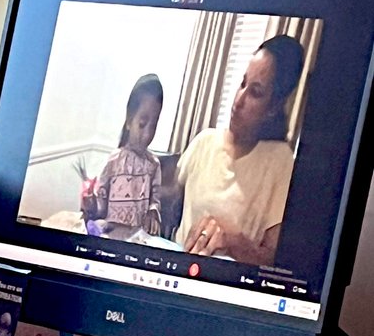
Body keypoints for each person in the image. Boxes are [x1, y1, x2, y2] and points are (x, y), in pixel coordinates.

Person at [175, 34, 304, 263]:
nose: (238, 101)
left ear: (273, 107)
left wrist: (232, 241)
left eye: (255, 92)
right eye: (242, 83)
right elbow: (165, 199)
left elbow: (274, 263)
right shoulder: (204, 141)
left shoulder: (279, 161)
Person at [83, 74, 164, 235]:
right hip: (112, 236)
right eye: (142, 124)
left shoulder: (153, 165)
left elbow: (155, 202)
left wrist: (153, 213)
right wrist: (91, 204)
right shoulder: (114, 161)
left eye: (153, 126)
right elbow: (101, 207)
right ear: (129, 121)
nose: (147, 134)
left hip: (138, 239)